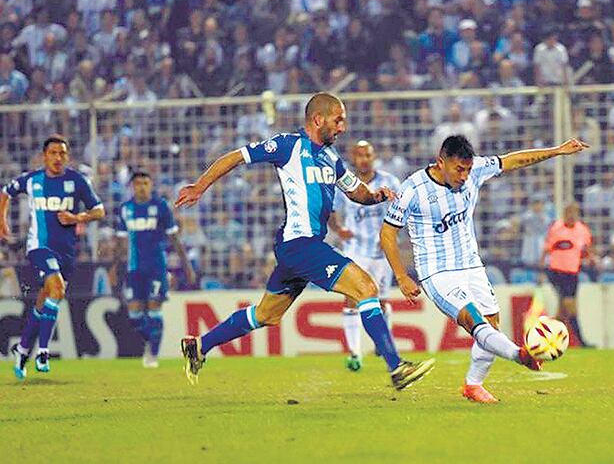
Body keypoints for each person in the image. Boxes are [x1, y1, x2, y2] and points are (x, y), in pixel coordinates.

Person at [176, 92, 434, 391]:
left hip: (298, 248)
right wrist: (200, 186)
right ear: (318, 119)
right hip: (301, 243)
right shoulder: (288, 145)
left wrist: (376, 196)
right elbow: (236, 156)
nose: (342, 128)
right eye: (338, 120)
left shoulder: (331, 158)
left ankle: (199, 346)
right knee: (365, 287)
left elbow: (355, 191)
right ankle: (397, 367)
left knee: (266, 314)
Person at [380, 135, 589, 404]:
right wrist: (401, 275)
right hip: (437, 272)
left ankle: (473, 385)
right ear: (440, 162)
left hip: (471, 265)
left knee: (491, 323)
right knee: (473, 320)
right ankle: (520, 355)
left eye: (468, 169)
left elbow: (514, 160)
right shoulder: (413, 189)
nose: (465, 176)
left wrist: (557, 151)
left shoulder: (475, 170)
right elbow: (387, 233)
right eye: (458, 169)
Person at [1, 135, 106, 380]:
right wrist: (1, 220)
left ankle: (23, 349)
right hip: (39, 247)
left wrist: (77, 218)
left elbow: (99, 210)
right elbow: (5, 193)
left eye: (62, 153)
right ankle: (44, 352)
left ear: (67, 156)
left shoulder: (77, 181)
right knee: (56, 290)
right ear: (44, 156)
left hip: (67, 253)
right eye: (53, 153)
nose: (58, 158)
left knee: (45, 299)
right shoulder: (32, 179)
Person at [329, 140, 401, 372]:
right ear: (353, 157)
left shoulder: (389, 182)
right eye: (359, 155)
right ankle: (354, 353)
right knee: (352, 298)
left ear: (374, 156)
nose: (364, 159)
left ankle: (382, 344)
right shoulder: (346, 183)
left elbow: (402, 209)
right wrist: (339, 229)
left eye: (367, 154)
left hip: (381, 252)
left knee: (380, 301)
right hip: (355, 251)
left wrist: (391, 236)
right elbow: (331, 209)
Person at [113, 171, 195, 368]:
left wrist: (187, 266)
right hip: (134, 268)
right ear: (132, 186)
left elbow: (174, 238)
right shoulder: (125, 209)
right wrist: (115, 267)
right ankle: (151, 341)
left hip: (156, 267)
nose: (142, 186)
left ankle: (153, 354)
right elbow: (121, 242)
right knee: (134, 314)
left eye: (146, 183)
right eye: (138, 183)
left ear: (151, 185)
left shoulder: (160, 207)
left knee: (154, 308)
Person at [542, 201, 596, 348]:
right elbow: (546, 249)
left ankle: (548, 340)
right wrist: (541, 271)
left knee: (562, 310)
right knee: (569, 305)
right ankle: (581, 341)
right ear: (564, 214)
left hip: (573, 273)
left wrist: (591, 259)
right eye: (568, 212)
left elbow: (587, 249)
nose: (571, 216)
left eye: (574, 212)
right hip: (557, 272)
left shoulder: (583, 230)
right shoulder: (556, 228)